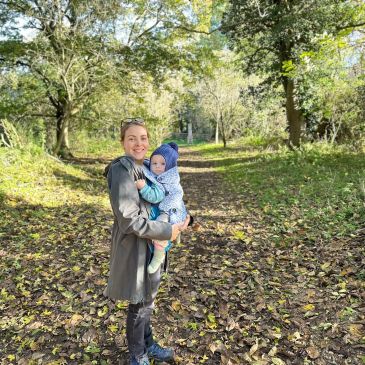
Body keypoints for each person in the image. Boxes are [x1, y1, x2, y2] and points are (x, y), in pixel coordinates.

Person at [103, 118, 190, 365]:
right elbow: (129, 220)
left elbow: (165, 198)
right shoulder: (123, 170)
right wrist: (166, 231)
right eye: (132, 138)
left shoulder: (148, 166)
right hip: (136, 247)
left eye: (143, 138)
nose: (138, 143)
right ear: (123, 142)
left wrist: (187, 219)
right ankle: (137, 356)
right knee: (139, 304)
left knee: (147, 302)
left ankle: (148, 344)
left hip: (153, 244)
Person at [135, 142, 188, 274]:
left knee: (161, 227)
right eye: (154, 163)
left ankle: (159, 255)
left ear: (169, 166)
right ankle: (177, 234)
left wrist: (143, 187)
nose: (157, 167)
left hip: (169, 209)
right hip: (174, 207)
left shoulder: (166, 179)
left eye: (162, 164)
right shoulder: (161, 173)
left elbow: (156, 197)